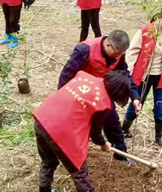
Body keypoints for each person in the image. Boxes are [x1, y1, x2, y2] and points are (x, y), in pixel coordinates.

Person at [33, 70, 131, 192]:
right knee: (79, 170)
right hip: (59, 129)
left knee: (48, 161)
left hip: (42, 118)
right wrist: (104, 144)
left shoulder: (85, 76)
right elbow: (95, 132)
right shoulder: (102, 102)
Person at [58, 29, 141, 161]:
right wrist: (64, 100)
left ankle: (121, 155)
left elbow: (124, 75)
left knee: (112, 122)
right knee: (79, 126)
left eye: (120, 54)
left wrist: (135, 97)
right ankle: (71, 155)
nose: (117, 57)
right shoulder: (85, 50)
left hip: (102, 94)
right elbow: (66, 76)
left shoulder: (118, 54)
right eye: (116, 53)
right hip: (81, 94)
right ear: (108, 45)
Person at [121, 6, 162, 146]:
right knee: (136, 103)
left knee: (161, 106)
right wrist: (127, 74)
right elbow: (132, 54)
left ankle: (159, 135)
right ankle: (124, 129)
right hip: (143, 76)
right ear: (158, 17)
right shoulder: (144, 32)